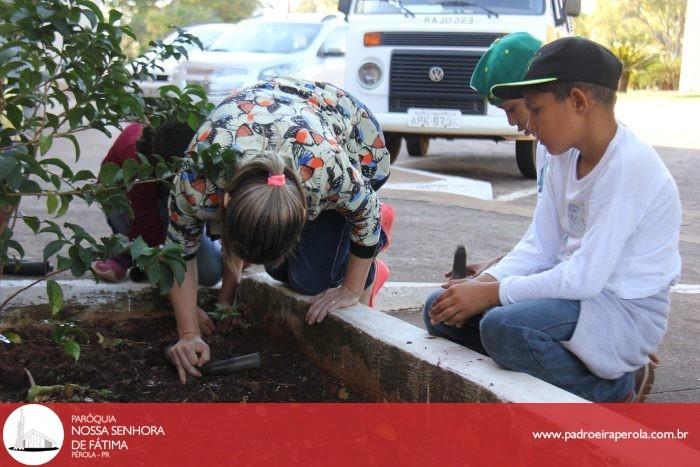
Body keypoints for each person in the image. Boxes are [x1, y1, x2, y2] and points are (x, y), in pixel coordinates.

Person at [424, 37, 682, 402]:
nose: (527, 126)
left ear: (577, 101)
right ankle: (539, 377)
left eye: (536, 110)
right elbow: (542, 245)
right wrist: (484, 281)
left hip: (620, 311)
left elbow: (586, 278)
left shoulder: (629, 168)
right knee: (440, 310)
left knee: (503, 327)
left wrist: (491, 292)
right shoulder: (560, 152)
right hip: (570, 298)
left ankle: (618, 387)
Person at [166, 77, 394, 384]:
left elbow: (367, 211)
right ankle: (343, 246)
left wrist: (350, 290)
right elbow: (179, 255)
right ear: (227, 201)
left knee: (311, 280)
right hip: (265, 121)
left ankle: (370, 262)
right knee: (278, 270)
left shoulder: (328, 174)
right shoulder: (198, 178)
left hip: (356, 143)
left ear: (303, 215)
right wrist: (191, 331)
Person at [91, 122, 224, 289]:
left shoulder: (201, 147)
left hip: (172, 202)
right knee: (166, 259)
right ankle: (127, 248)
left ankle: (141, 256)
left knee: (210, 273)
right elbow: (143, 221)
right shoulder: (137, 162)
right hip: (128, 205)